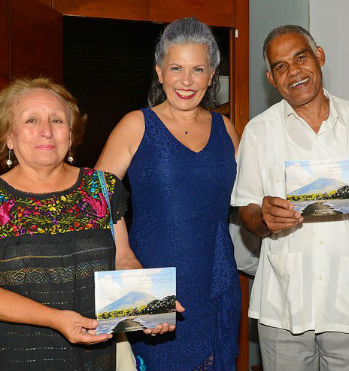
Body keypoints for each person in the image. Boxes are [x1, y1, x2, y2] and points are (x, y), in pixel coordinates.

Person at [0, 78, 176, 371]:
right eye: (31, 120)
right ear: (9, 136)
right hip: (13, 356)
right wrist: (56, 319)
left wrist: (150, 306)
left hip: (95, 355)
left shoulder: (102, 189)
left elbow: (122, 258)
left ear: (70, 135)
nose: (46, 131)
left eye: (57, 120)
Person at [231, 25, 349, 371]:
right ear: (271, 79)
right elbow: (247, 211)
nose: (294, 71)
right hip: (283, 306)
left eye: (300, 57)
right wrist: (264, 218)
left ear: (320, 56)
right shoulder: (258, 133)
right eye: (281, 66)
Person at [95, 17, 241, 371]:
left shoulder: (227, 128)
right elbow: (96, 197)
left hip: (216, 282)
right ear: (159, 72)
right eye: (176, 68)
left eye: (197, 69)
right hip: (153, 279)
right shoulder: (136, 124)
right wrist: (123, 254)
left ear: (212, 76)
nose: (186, 81)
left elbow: (246, 199)